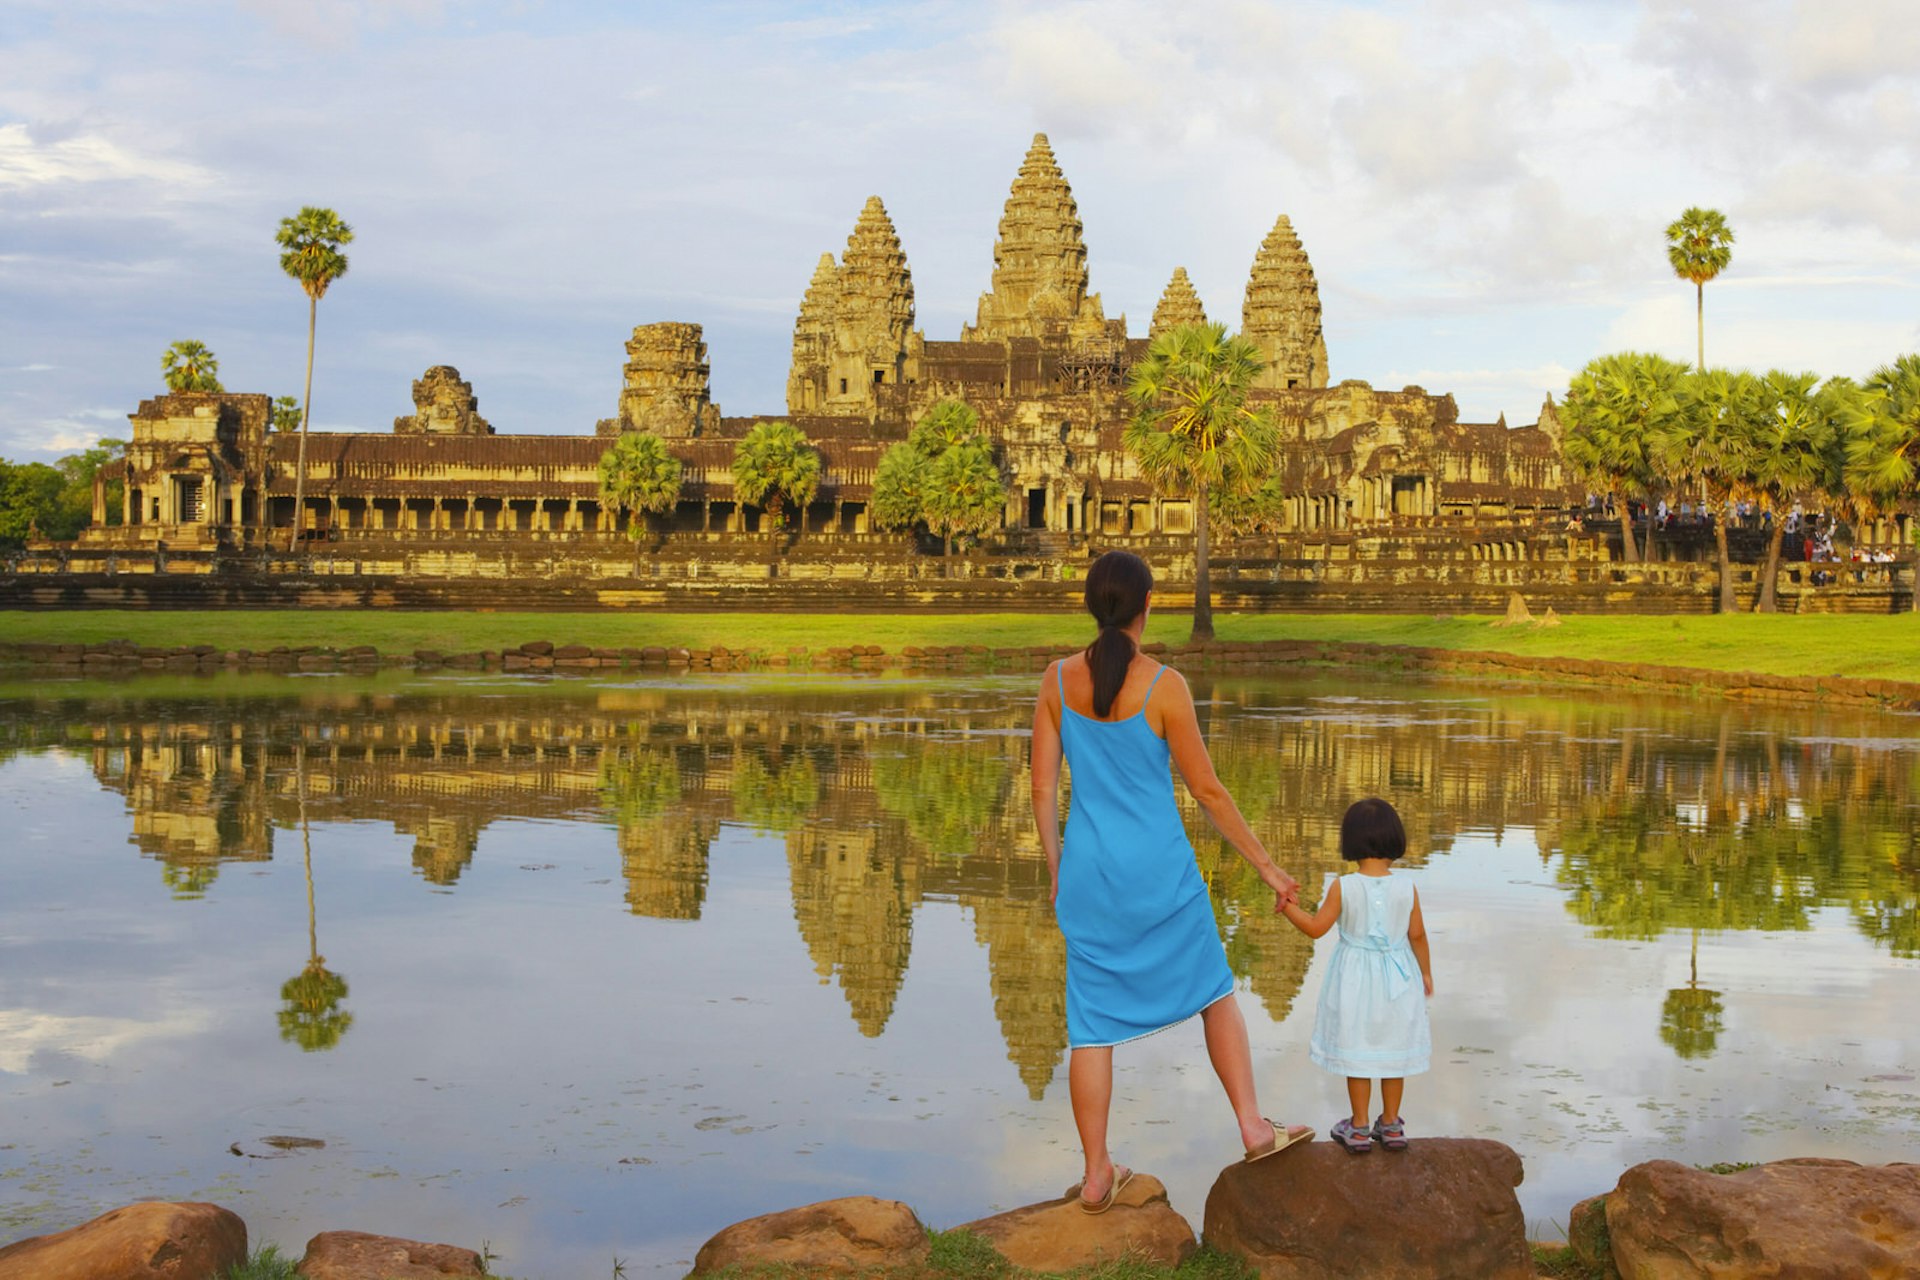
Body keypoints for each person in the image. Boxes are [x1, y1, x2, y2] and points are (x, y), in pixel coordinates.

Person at [1030, 550, 1312, 1213]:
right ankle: (1250, 1123)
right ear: (1147, 607)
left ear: (1093, 607)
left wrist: (1055, 868)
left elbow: (1043, 786)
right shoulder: (1164, 687)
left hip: (1091, 878)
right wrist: (1267, 867)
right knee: (1215, 991)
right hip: (1161, 874)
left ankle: (1097, 1173)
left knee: (1091, 1028)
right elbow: (1209, 791)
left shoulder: (1055, 681)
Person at [1279, 798, 1433, 1154]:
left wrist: (1288, 907)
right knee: (1395, 1052)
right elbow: (1418, 935)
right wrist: (1425, 972)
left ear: (1350, 841)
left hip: (1355, 981)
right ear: (1396, 838)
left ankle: (1360, 1126)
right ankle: (1392, 1124)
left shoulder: (1343, 887)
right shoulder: (1407, 887)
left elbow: (1317, 929)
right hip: (1399, 978)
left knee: (1359, 1052)